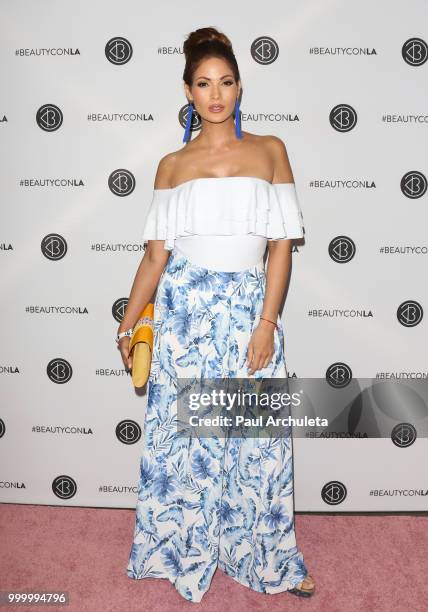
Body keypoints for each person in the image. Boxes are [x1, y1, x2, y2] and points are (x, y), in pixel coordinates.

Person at [117, 26, 315, 603]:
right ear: (188, 92)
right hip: (184, 314)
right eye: (203, 84)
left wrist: (266, 323)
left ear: (239, 87)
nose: (216, 94)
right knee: (186, 445)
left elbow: (280, 246)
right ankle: (178, 548)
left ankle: (270, 558)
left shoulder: (270, 150)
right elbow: (155, 257)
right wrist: (128, 326)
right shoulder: (171, 165)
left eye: (226, 81)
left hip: (249, 311)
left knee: (259, 443)